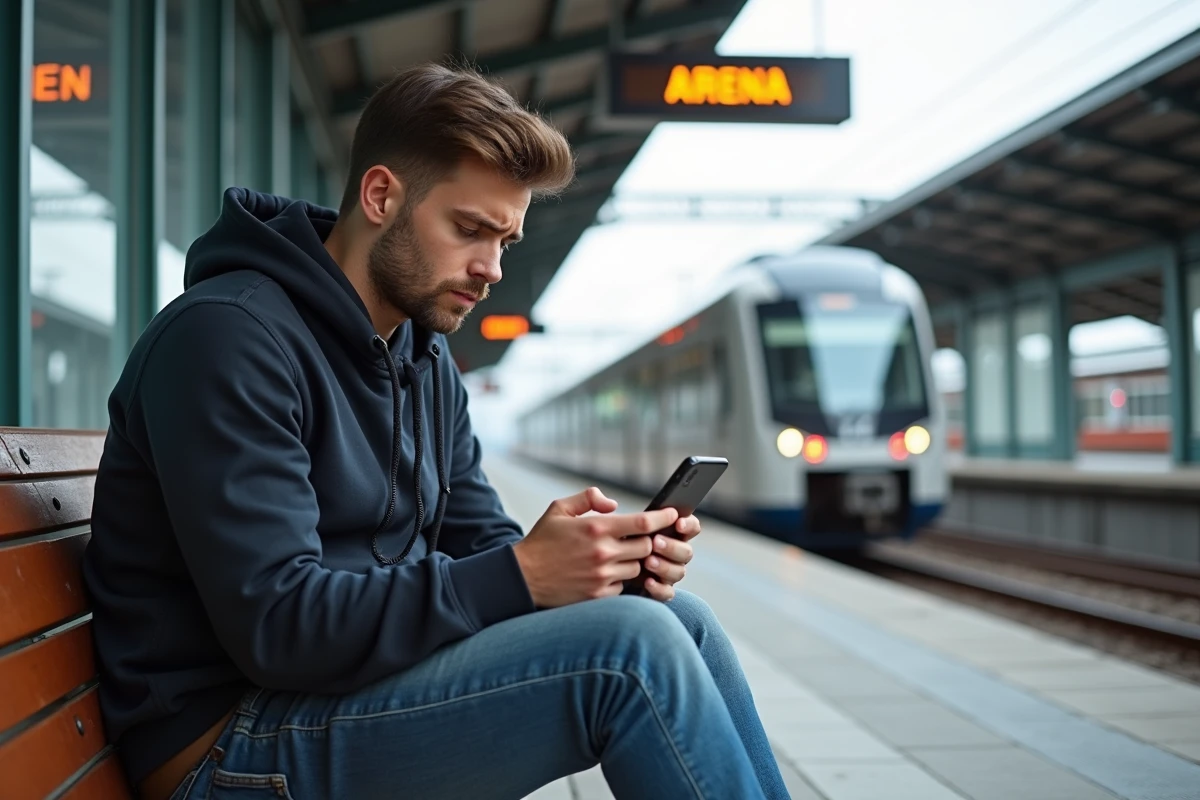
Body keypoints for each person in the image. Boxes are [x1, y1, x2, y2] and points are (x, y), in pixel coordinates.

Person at [82, 63, 790, 800]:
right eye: (469, 230)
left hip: (345, 694)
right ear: (382, 195)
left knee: (681, 622)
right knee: (631, 653)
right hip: (226, 744)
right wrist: (521, 576)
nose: (489, 269)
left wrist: (590, 571)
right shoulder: (229, 338)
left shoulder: (422, 355)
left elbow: (476, 542)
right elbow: (280, 627)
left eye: (505, 241)